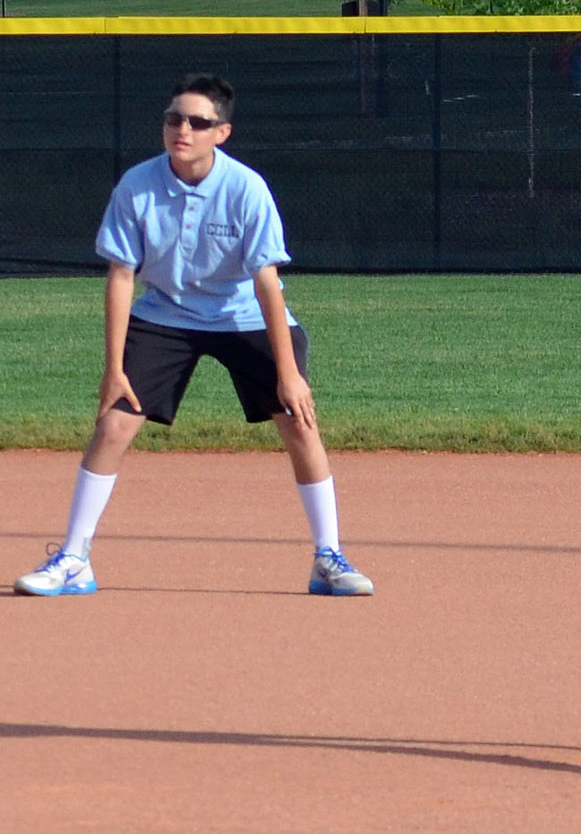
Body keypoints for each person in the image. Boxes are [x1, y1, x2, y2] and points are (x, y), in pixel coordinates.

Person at [14, 74, 374, 598]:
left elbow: (267, 284)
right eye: (174, 118)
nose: (183, 129)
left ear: (221, 132)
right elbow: (121, 278)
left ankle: (328, 558)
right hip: (165, 314)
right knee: (114, 426)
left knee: (299, 424)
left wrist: (290, 375)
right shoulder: (137, 185)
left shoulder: (246, 189)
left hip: (243, 315)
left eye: (198, 122)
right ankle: (74, 559)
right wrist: (113, 369)